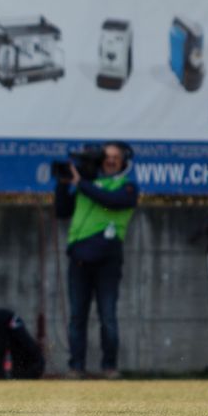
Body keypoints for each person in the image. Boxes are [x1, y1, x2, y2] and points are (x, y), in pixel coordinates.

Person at [55, 142, 138, 379]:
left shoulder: (127, 186)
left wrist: (80, 183)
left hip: (107, 261)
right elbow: (62, 210)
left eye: (115, 157)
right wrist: (62, 185)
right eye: (107, 156)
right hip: (79, 260)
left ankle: (109, 367)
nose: (110, 160)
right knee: (77, 316)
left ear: (124, 161)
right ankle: (76, 366)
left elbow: (111, 200)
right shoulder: (88, 185)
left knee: (107, 316)